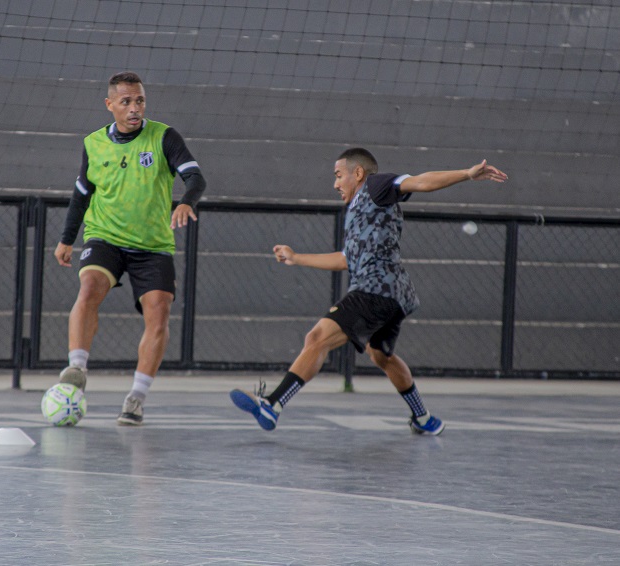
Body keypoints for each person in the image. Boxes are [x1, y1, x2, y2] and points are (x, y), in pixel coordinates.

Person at [230, 147, 507, 435]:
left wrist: (466, 174)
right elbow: (345, 260)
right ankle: (423, 418)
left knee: (317, 337)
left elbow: (421, 181)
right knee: (381, 356)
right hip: (396, 296)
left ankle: (273, 405)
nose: (335, 184)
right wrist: (297, 257)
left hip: (375, 290)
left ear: (358, 173)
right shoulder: (360, 211)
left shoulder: (376, 186)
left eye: (339, 176)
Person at [54, 71, 206, 426]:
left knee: (159, 312)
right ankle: (77, 368)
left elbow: (196, 177)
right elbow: (81, 196)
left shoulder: (164, 137)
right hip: (105, 235)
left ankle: (136, 398)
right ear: (110, 105)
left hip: (152, 244)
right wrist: (66, 239)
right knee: (89, 287)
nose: (135, 108)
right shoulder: (93, 143)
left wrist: (188, 202)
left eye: (139, 101)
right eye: (126, 102)